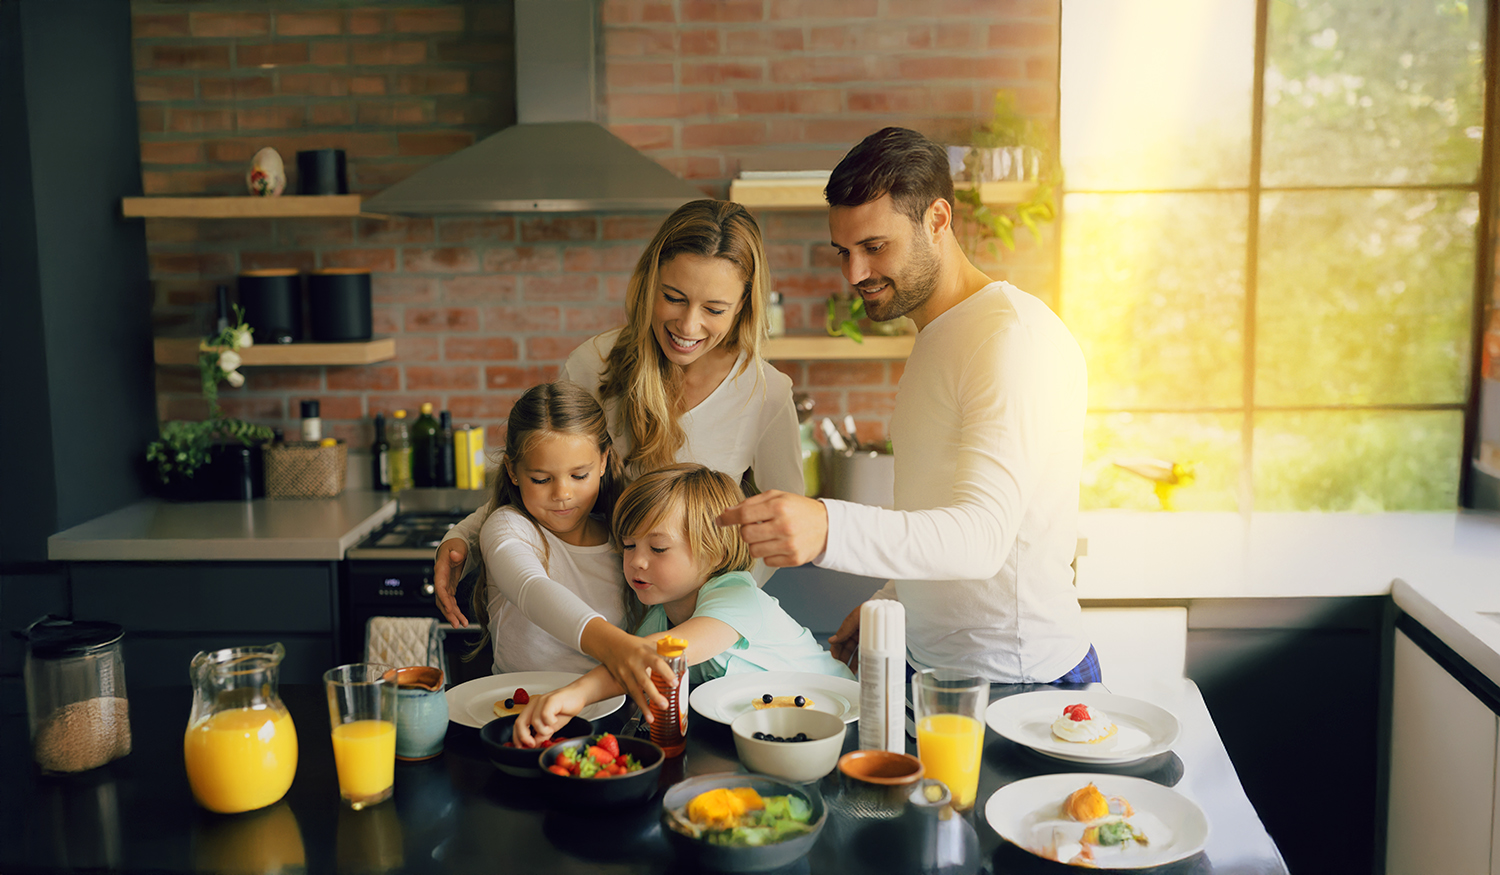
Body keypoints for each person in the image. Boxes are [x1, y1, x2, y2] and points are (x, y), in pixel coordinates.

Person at [717, 127, 1097, 685]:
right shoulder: (942, 334)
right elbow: (938, 513)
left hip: (1017, 682)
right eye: (844, 252)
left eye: (875, 247)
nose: (855, 274)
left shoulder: (1009, 340)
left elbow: (984, 539)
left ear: (937, 220)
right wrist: (892, 604)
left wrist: (826, 525)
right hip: (937, 668)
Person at [436, 199, 804, 709]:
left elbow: (784, 524)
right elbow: (549, 474)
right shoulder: (594, 365)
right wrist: (465, 537)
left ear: (743, 305)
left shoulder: (765, 392)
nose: (689, 325)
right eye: (673, 298)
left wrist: (714, 606)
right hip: (604, 613)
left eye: (714, 310)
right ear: (649, 283)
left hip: (699, 634)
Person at [513, 464, 852, 746]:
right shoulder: (657, 621)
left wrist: (575, 694)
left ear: (714, 551)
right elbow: (635, 669)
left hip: (845, 719)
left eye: (658, 549)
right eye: (629, 546)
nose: (637, 562)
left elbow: (652, 656)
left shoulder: (736, 596)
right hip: (771, 735)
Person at [469, 381, 627, 676]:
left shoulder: (625, 537)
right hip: (519, 709)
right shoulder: (508, 528)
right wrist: (622, 649)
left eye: (579, 475)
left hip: (609, 709)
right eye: (541, 479)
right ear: (513, 471)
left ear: (603, 462)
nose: (562, 494)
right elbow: (533, 589)